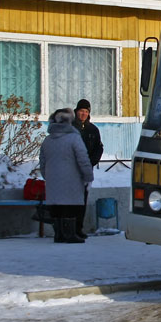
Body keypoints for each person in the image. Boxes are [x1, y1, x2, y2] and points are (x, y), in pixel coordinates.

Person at [39, 108, 94, 244]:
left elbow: (42, 161)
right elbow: (83, 159)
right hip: (72, 180)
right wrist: (88, 176)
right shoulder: (74, 138)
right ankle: (70, 234)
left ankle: (59, 234)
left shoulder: (47, 140)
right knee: (71, 207)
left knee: (57, 207)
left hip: (53, 180)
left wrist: (47, 176)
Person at [72, 98, 103, 238]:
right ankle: (69, 229)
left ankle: (79, 228)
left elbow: (99, 148)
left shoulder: (93, 130)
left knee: (82, 201)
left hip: (85, 171)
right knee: (69, 201)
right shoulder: (70, 128)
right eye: (81, 111)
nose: (83, 114)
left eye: (86, 111)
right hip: (71, 170)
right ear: (76, 111)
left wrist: (91, 162)